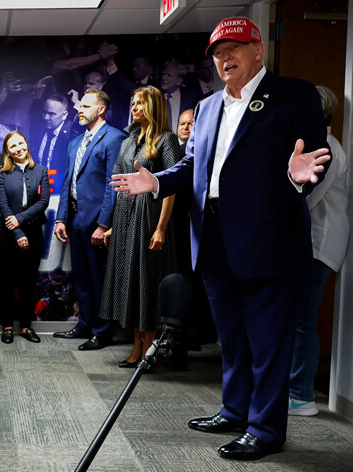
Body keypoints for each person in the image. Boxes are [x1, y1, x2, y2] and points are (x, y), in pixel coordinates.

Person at [110, 17, 330, 461]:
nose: (224, 58)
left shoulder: (294, 95)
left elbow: (309, 160)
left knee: (268, 340)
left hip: (268, 239)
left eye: (234, 48)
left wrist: (297, 177)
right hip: (211, 236)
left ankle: (265, 430)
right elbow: (193, 167)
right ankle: (234, 409)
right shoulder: (207, 107)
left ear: (259, 50)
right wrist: (155, 183)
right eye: (217, 52)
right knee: (231, 335)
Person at [99, 86, 179, 368]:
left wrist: (161, 228)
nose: (133, 107)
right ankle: (136, 344)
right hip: (125, 217)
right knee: (130, 282)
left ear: (153, 106)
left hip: (149, 217)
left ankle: (150, 347)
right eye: (132, 102)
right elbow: (120, 182)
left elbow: (172, 188)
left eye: (140, 103)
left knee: (146, 281)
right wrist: (111, 226)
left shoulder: (166, 140)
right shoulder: (129, 138)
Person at [289, 85, 350, 417]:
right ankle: (295, 391)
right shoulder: (321, 145)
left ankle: (300, 396)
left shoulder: (325, 148)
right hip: (313, 243)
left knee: (302, 320)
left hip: (319, 244)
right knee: (299, 318)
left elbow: (307, 200)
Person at [53, 89, 127, 351]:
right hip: (75, 219)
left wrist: (104, 224)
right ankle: (84, 324)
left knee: (100, 280)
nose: (78, 109)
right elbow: (66, 184)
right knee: (81, 278)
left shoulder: (115, 138)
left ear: (101, 109)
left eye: (85, 106)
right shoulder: (75, 143)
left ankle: (102, 332)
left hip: (97, 222)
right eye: (79, 106)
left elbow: (113, 184)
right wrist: (61, 218)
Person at [0, 131, 49, 344]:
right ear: (7, 151)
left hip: (34, 234)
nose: (18, 148)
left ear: (26, 144)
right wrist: (17, 231)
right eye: (13, 146)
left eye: (21, 143)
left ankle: (26, 326)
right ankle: (7, 326)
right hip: (7, 236)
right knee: (7, 282)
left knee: (28, 283)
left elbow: (43, 202)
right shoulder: (1, 174)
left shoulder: (41, 171)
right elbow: (3, 205)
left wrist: (20, 220)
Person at [29, 94, 76, 192]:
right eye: (45, 112)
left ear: (64, 115)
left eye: (51, 114)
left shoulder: (72, 136)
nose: (46, 117)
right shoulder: (38, 129)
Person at [160, 59, 202, 133]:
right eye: (163, 74)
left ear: (179, 81)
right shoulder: (155, 97)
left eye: (168, 75)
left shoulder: (191, 99)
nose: (164, 78)